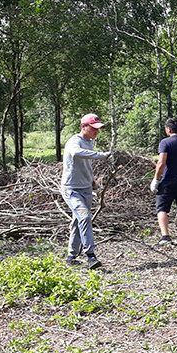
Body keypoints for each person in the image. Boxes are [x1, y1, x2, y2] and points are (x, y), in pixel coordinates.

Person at [61, 113, 112, 269]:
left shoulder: (90, 142)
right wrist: (101, 156)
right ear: (84, 127)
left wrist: (94, 184)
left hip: (86, 189)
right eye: (94, 128)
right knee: (84, 217)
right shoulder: (74, 142)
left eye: (98, 129)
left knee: (78, 221)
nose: (96, 131)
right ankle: (90, 256)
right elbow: (77, 153)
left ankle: (71, 256)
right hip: (71, 189)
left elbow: (86, 166)